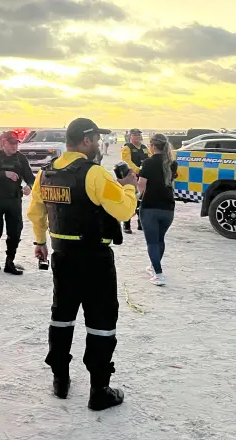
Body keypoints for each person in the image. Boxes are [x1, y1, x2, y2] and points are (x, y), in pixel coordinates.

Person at [28, 117, 137, 411]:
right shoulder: (95, 174)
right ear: (86, 140)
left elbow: (37, 211)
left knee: (61, 317)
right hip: (95, 260)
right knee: (101, 322)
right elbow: (124, 211)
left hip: (62, 257)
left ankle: (60, 380)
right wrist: (129, 187)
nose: (99, 144)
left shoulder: (46, 174)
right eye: (97, 139)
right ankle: (99, 390)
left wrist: (39, 242)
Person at [0, 131, 35, 275]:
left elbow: (30, 177)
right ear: (3, 143)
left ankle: (9, 262)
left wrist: (29, 186)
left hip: (14, 200)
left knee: (15, 232)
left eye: (16, 143)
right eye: (11, 143)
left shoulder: (20, 158)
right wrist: (4, 173)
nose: (14, 146)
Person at [137, 133, 178, 287]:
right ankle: (154, 267)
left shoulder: (148, 162)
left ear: (153, 146)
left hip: (150, 206)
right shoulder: (172, 163)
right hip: (168, 207)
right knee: (160, 239)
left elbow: (141, 185)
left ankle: (158, 274)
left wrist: (135, 197)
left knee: (152, 242)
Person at [120, 128, 150, 234]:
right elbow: (127, 162)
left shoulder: (144, 148)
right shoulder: (127, 148)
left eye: (138, 135)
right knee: (130, 199)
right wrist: (138, 170)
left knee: (142, 200)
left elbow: (149, 159)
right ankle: (126, 224)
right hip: (131, 177)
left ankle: (140, 222)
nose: (137, 136)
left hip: (143, 177)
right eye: (135, 135)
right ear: (130, 136)